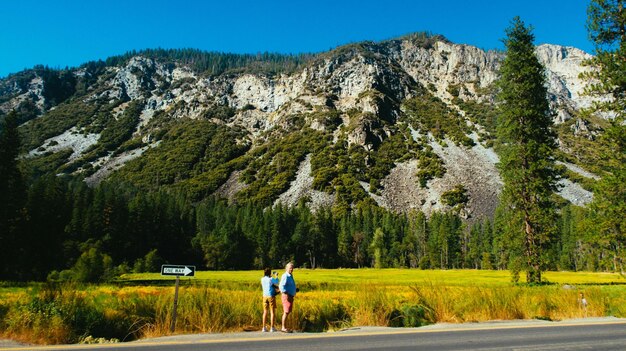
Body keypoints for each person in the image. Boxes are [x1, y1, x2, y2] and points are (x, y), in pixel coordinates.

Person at [279, 262, 297, 332]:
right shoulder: (285, 276)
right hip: (287, 296)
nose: (291, 269)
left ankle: (285, 327)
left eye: (292, 268)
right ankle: (283, 327)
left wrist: (294, 290)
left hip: (290, 296)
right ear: (286, 268)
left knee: (288, 311)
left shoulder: (290, 275)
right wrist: (287, 295)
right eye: (290, 268)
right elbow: (281, 286)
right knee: (286, 312)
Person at [260, 267, 279, 332]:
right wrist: (276, 276)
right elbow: (277, 281)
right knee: (272, 312)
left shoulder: (262, 279)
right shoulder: (271, 279)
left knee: (265, 312)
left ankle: (263, 327)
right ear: (270, 273)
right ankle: (272, 327)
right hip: (271, 296)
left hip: (264, 296)